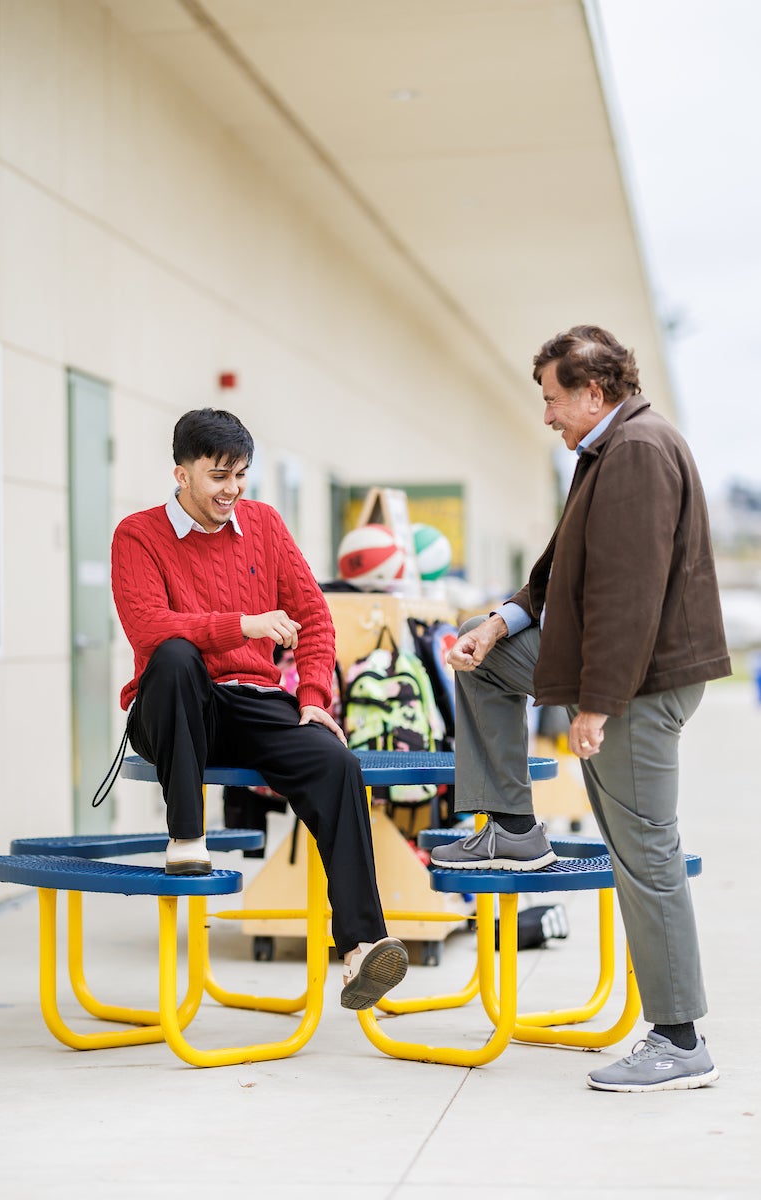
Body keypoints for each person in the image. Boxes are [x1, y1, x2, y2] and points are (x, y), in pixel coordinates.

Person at [431, 325, 730, 1092]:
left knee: (646, 854)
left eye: (553, 398)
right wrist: (499, 622)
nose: (546, 415)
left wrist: (596, 705)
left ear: (594, 392)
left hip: (639, 681)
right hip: (609, 664)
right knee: (483, 661)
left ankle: (679, 1039)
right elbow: (564, 574)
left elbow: (627, 598)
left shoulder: (635, 453)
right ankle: (514, 830)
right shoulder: (608, 448)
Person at [111, 407, 408, 1011]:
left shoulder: (265, 525)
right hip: (175, 705)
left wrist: (314, 697)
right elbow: (147, 628)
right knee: (171, 655)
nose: (233, 489)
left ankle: (359, 947)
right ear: (181, 474)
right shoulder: (138, 535)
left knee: (337, 765)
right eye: (219, 475)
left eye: (241, 474)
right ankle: (186, 836)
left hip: (253, 701)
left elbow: (316, 617)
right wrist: (242, 624)